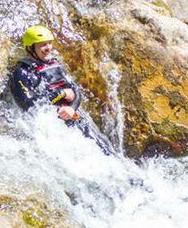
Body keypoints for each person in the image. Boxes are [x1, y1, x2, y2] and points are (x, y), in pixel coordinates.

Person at [9, 25, 112, 153]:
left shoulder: (54, 64)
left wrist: (71, 108)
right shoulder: (21, 73)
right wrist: (61, 93)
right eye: (42, 45)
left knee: (106, 152)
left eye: (49, 43)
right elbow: (29, 105)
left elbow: (75, 91)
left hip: (71, 117)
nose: (48, 48)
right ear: (30, 48)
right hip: (49, 127)